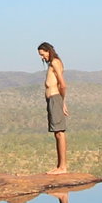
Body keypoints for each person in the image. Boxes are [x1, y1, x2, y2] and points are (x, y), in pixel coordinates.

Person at [38, 40, 70, 173]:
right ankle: (60, 166)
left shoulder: (55, 62)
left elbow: (63, 85)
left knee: (59, 132)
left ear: (48, 51)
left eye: (42, 54)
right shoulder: (53, 64)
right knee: (57, 133)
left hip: (55, 99)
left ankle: (62, 167)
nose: (42, 57)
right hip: (53, 99)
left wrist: (61, 102)